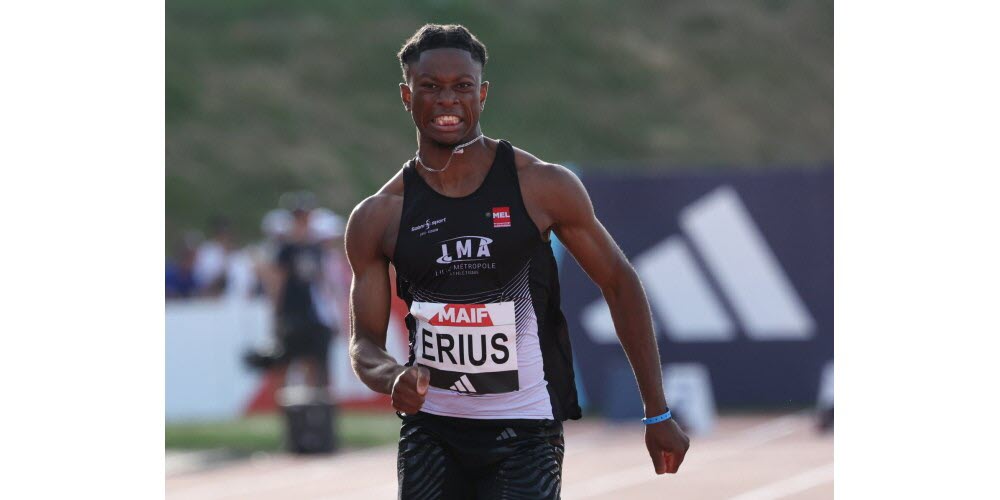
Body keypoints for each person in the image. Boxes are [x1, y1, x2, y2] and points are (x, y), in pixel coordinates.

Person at [345, 24, 689, 499]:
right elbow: (363, 342)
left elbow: (620, 282)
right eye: (431, 87)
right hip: (431, 434)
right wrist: (393, 377)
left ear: (482, 94)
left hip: (525, 434)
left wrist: (657, 412)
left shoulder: (541, 187)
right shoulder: (379, 215)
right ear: (407, 96)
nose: (447, 100)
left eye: (461, 87)